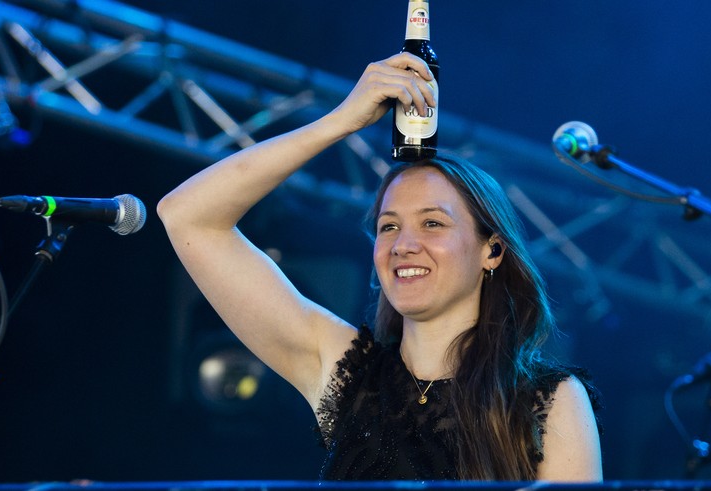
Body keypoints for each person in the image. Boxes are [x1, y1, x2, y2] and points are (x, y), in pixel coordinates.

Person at [157, 52, 602, 481]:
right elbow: (188, 215)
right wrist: (340, 122)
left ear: (493, 251)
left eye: (432, 223)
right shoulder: (345, 370)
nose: (404, 244)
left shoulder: (550, 399)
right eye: (389, 227)